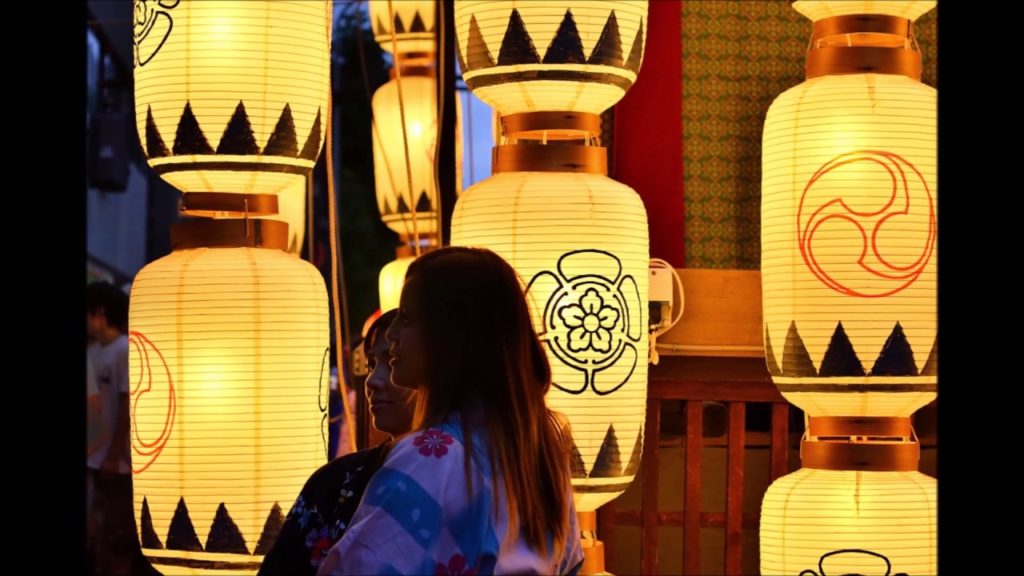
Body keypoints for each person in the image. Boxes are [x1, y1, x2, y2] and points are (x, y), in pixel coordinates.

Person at [318, 247, 584, 576]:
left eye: (406, 318)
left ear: (451, 335)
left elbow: (358, 568)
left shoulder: (431, 456)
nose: (392, 334)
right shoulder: (541, 452)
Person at [259, 309, 415, 575]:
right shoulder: (335, 481)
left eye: (392, 361)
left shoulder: (471, 477)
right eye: (370, 364)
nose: (372, 381)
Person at [86, 281, 136, 575]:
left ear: (99, 313)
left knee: (116, 537)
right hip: (97, 457)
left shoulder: (123, 349)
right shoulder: (95, 351)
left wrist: (114, 454)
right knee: (98, 535)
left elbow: (127, 402)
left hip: (117, 464)